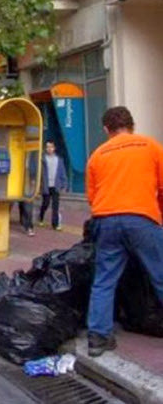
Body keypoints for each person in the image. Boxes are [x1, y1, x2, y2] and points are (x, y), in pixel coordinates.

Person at [85, 106, 163, 357]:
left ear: (106, 129)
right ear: (132, 125)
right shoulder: (150, 147)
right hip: (141, 218)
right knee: (160, 275)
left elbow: (92, 196)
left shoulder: (97, 155)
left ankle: (98, 337)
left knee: (104, 280)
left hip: (106, 221)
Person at [39, 141, 68, 230]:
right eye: (47, 147)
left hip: (55, 185)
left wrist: (64, 184)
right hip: (46, 185)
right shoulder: (42, 159)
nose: (49, 149)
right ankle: (41, 216)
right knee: (46, 203)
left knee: (55, 206)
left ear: (54, 148)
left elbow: (62, 172)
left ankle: (55, 224)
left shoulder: (59, 159)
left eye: (51, 147)